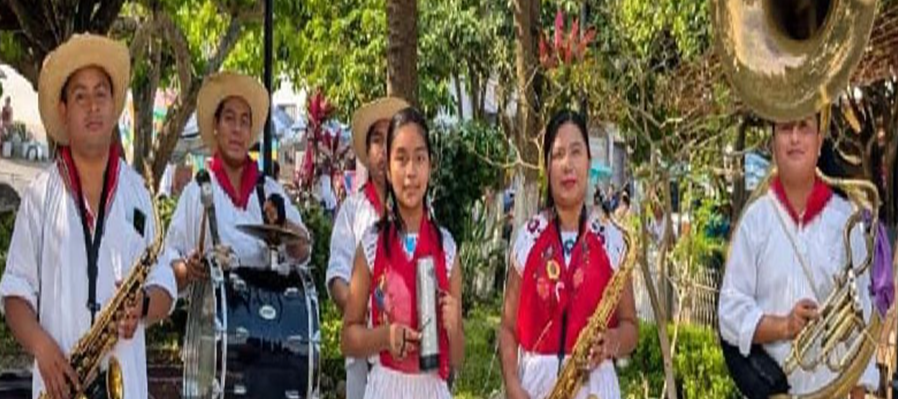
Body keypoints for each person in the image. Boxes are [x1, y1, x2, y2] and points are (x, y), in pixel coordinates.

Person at [0, 34, 177, 399]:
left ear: (114, 107)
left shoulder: (138, 194)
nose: (93, 106)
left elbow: (166, 283)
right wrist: (41, 348)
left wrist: (143, 304)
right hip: (59, 386)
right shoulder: (38, 198)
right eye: (80, 95)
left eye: (101, 94)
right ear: (64, 110)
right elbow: (15, 292)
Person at [718, 113, 876, 397]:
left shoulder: (846, 220)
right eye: (785, 127)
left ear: (819, 141)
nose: (794, 137)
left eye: (804, 127)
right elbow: (730, 314)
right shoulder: (755, 221)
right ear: (773, 143)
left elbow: (862, 327)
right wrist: (784, 326)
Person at [499, 110, 637, 399]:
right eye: (558, 154)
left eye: (576, 152)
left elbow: (631, 328)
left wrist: (611, 341)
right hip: (535, 388)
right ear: (547, 167)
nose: (567, 164)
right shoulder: (528, 237)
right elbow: (508, 328)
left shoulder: (611, 240)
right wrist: (512, 383)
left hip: (594, 387)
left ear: (589, 161)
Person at [341, 107, 464, 399]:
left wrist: (455, 326)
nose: (410, 172)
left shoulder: (446, 249)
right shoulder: (371, 246)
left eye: (419, 159)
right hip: (385, 387)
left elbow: (458, 357)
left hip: (432, 388)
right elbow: (347, 338)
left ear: (431, 166)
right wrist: (385, 337)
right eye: (401, 159)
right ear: (388, 167)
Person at [326, 97, 408, 399]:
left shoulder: (421, 215)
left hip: (409, 358)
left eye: (391, 140)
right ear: (367, 152)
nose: (384, 151)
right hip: (364, 357)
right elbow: (336, 278)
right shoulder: (353, 210)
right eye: (377, 140)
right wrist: (364, 317)